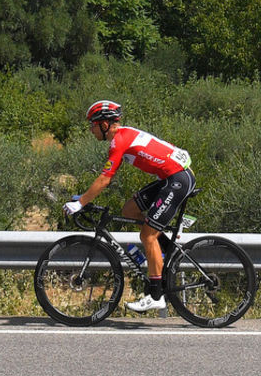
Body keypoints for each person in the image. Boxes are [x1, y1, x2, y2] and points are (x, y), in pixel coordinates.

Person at [64, 100, 196, 312]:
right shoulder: (123, 136)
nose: (91, 129)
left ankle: (156, 295)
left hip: (178, 179)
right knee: (129, 210)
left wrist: (80, 203)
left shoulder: (119, 141)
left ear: (105, 124)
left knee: (147, 236)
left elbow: (105, 179)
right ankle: (165, 249)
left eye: (93, 125)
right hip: (171, 177)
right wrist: (85, 197)